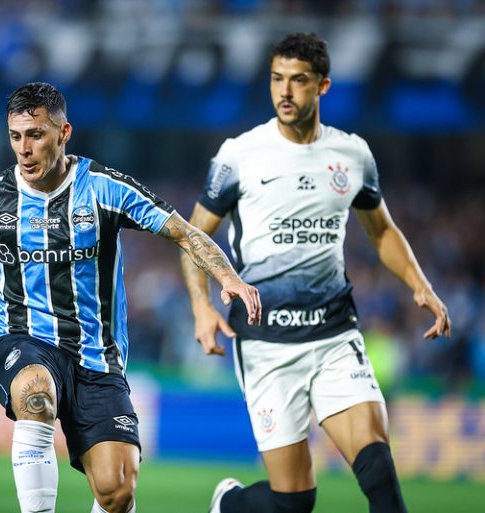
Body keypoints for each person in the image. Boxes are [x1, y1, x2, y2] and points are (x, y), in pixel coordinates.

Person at [0, 82, 261, 513]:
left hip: (97, 359)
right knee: (35, 391)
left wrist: (229, 278)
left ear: (64, 133)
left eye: (36, 134)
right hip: (23, 341)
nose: (24, 148)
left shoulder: (103, 188)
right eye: (15, 136)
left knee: (117, 493)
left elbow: (184, 233)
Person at [180, 33, 451, 513]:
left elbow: (382, 230)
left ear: (323, 86)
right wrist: (201, 307)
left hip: (333, 336)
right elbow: (193, 236)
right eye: (277, 79)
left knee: (384, 489)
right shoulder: (240, 155)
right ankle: (230, 504)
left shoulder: (352, 155)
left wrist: (420, 285)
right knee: (294, 505)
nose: (285, 92)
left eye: (299, 81)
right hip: (266, 346)